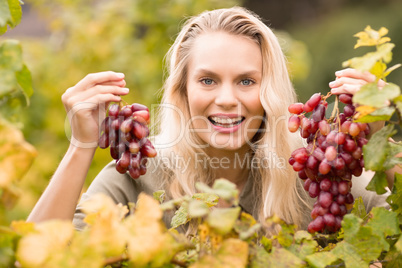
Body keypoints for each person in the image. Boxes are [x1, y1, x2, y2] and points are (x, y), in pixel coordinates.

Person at [27, 7, 392, 232]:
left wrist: (382, 147)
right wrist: (81, 144)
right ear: (182, 92)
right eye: (207, 80)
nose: (227, 99)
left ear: (271, 92)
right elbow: (36, 257)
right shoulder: (140, 179)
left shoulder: (313, 176)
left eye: (247, 81)